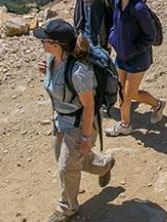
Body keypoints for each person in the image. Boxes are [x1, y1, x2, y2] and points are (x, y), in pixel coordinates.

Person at [35, 19, 115, 222]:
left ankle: (67, 209)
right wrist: (47, 73)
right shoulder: (53, 60)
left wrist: (86, 137)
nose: (41, 43)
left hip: (79, 125)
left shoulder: (80, 72)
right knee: (72, 162)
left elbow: (88, 107)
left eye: (44, 40)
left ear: (56, 44)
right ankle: (104, 164)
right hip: (60, 121)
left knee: (66, 167)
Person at [105, 0, 166, 136]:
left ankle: (157, 104)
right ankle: (125, 124)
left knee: (130, 92)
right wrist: (112, 38)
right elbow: (115, 24)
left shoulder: (139, 8)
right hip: (122, 55)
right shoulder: (118, 2)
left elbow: (150, 36)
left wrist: (133, 50)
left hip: (137, 58)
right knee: (121, 90)